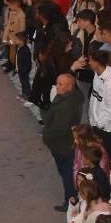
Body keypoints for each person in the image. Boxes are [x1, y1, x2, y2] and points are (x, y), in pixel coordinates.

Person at [43, 74, 85, 210]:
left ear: (70, 87)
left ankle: (70, 201)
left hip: (62, 145)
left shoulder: (65, 106)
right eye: (57, 83)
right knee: (68, 171)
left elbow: (58, 129)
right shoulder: (73, 96)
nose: (57, 87)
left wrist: (46, 137)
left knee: (66, 172)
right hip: (67, 143)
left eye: (61, 85)